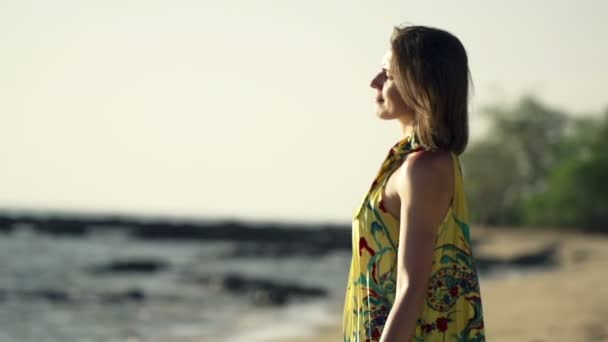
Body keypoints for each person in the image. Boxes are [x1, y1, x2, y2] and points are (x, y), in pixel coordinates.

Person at [342, 24, 485, 342]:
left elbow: (412, 287)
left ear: (421, 86)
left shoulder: (424, 169)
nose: (374, 82)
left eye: (388, 75)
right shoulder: (408, 162)